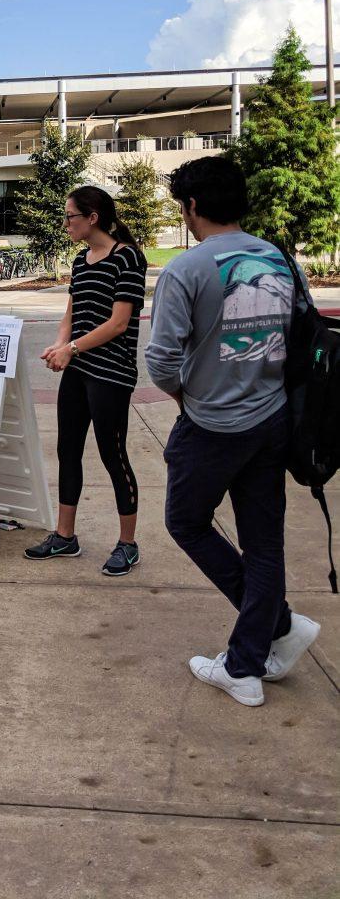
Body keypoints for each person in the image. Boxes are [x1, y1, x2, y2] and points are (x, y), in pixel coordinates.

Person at [146, 156, 320, 707]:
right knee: (264, 545)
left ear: (191, 206)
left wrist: (184, 398)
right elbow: (301, 337)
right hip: (271, 418)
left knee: (186, 521)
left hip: (213, 424)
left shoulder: (186, 268)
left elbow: (160, 360)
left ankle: (268, 638)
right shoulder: (276, 257)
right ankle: (255, 652)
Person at [25, 185, 147, 576]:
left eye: (70, 217)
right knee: (68, 449)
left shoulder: (127, 257)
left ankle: (128, 543)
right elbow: (71, 313)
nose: (66, 225)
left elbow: (119, 323)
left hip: (111, 372)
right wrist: (59, 344)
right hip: (78, 372)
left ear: (92, 218)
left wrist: (72, 349)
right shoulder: (81, 260)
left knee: (113, 455)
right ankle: (65, 535)